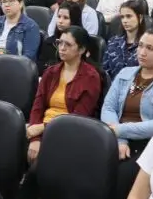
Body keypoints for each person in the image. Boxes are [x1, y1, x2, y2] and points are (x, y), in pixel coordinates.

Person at [101, 26, 153, 158]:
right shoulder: (125, 73)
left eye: (150, 48)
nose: (142, 52)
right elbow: (108, 108)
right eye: (140, 45)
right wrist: (121, 140)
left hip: (149, 143)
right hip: (115, 138)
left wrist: (121, 130)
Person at [26, 27, 103, 160]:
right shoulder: (51, 72)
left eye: (68, 44)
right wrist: (35, 138)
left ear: (81, 50)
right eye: (60, 43)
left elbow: (78, 118)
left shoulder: (91, 77)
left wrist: (42, 128)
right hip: (39, 128)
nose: (61, 48)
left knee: (42, 160)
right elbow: (37, 106)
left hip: (68, 132)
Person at [102, 0, 145, 78]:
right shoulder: (113, 42)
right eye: (122, 17)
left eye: (129, 16)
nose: (124, 21)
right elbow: (105, 71)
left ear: (140, 18)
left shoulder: (147, 44)